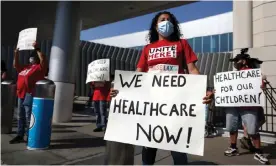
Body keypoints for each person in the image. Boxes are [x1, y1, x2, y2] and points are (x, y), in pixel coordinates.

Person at [110, 11, 213, 165]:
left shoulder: (181, 44)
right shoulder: (147, 48)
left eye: (169, 20)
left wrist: (203, 89)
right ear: (156, 26)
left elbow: (192, 70)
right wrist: (121, 90)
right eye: (162, 20)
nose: (166, 22)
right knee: (149, 145)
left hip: (176, 103)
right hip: (151, 104)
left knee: (178, 146)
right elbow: (138, 75)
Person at [223, 48, 269, 164]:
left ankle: (258, 152)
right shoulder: (233, 76)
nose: (234, 63)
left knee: (252, 130)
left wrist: (261, 83)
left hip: (249, 106)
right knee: (232, 127)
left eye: (236, 61)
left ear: (243, 61)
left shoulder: (253, 74)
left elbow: (261, 86)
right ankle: (233, 147)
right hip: (233, 105)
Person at [9, 42, 47, 144]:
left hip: (30, 94)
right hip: (20, 94)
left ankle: (30, 136)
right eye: (31, 57)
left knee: (28, 116)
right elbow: (15, 65)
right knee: (20, 116)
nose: (31, 58)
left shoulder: (40, 68)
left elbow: (43, 58)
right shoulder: (26, 67)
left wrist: (37, 48)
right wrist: (16, 53)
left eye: (33, 57)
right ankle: (20, 135)